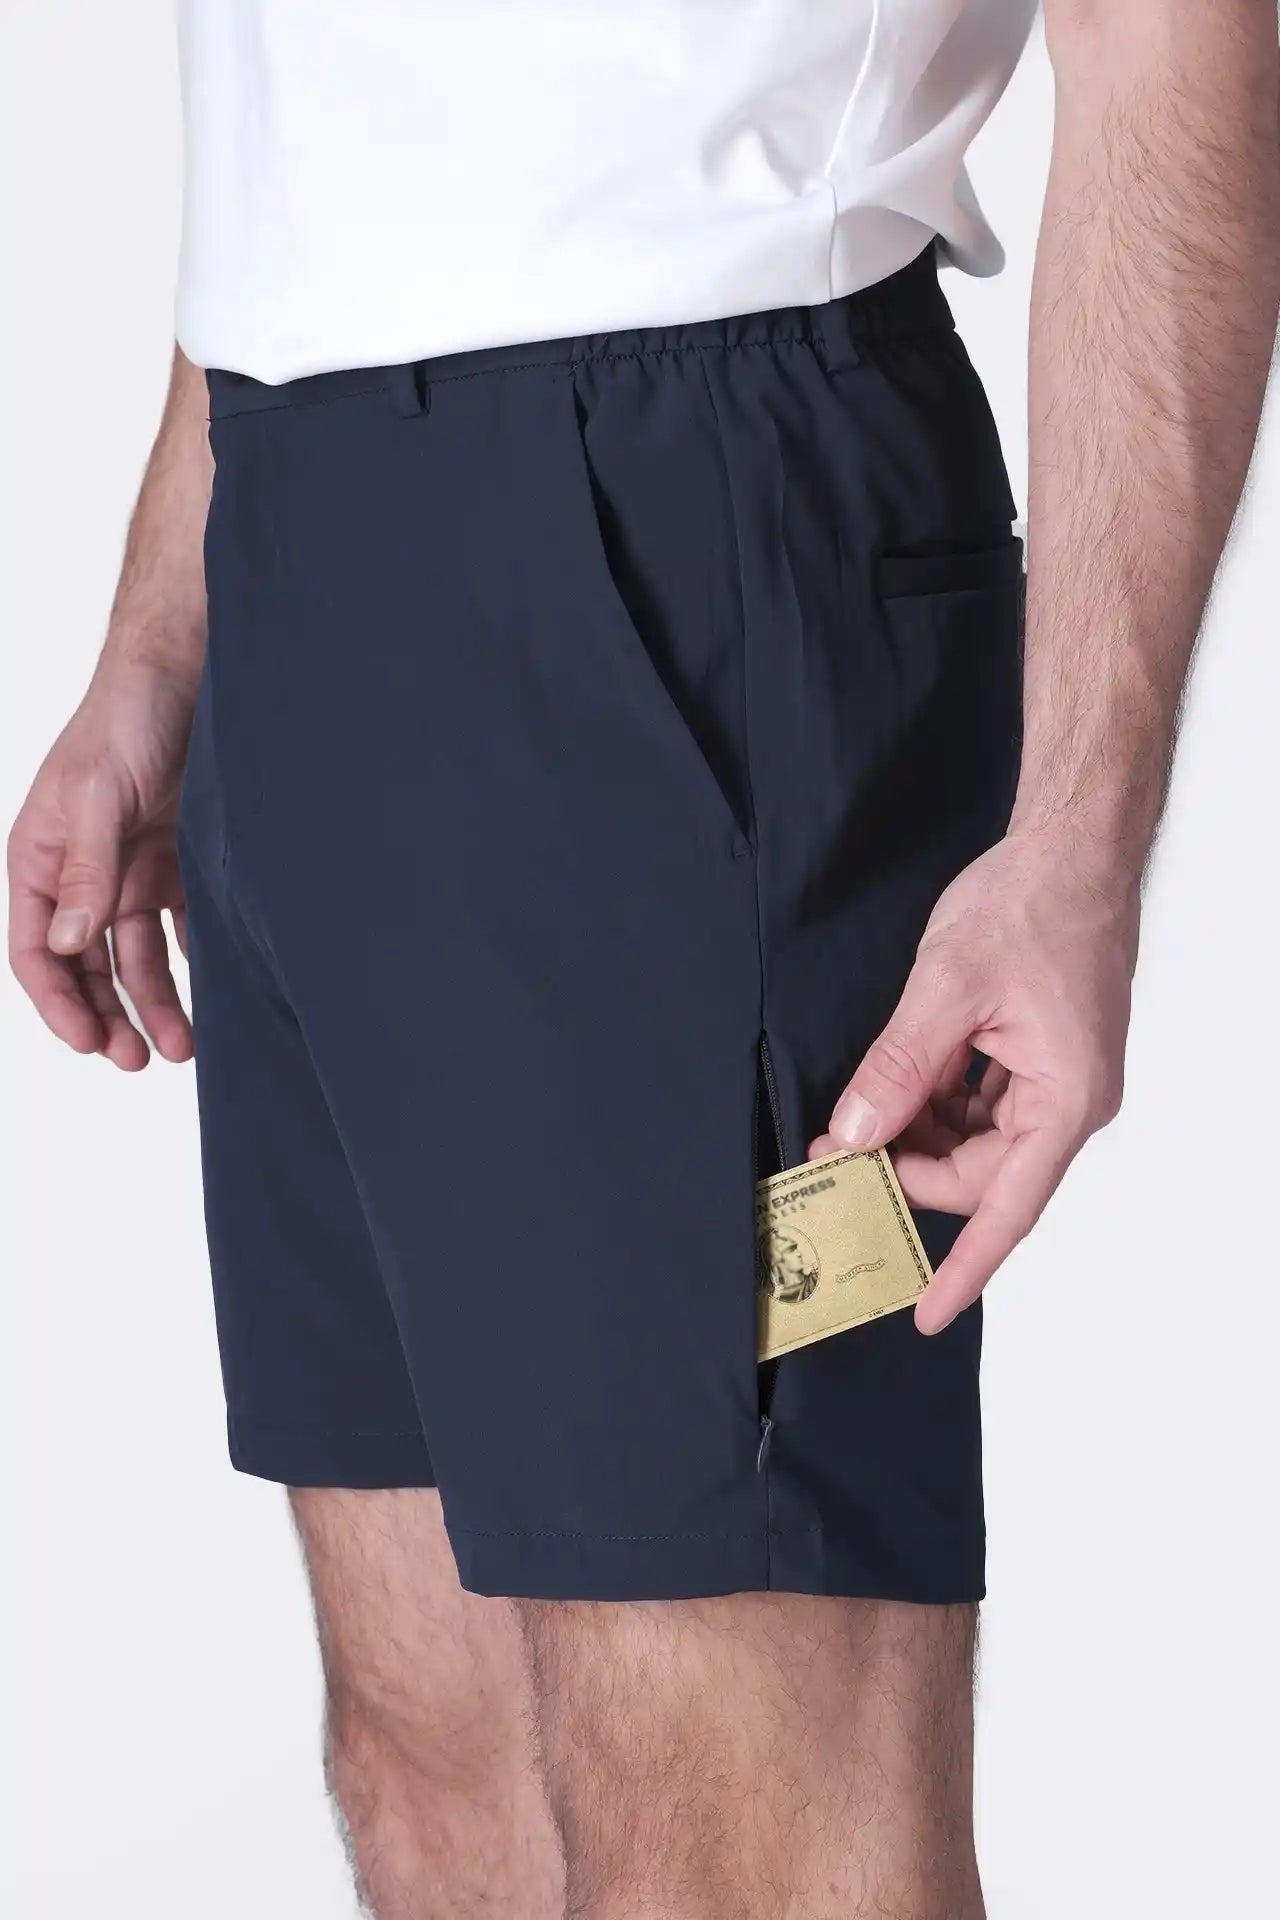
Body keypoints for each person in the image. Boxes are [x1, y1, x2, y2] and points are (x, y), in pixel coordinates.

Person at [8, 3, 1277, 1913]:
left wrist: (1081, 832)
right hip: (294, 525)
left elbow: (1170, 32)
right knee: (444, 1777)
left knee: (735, 1833)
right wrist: (158, 641)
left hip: (687, 543)